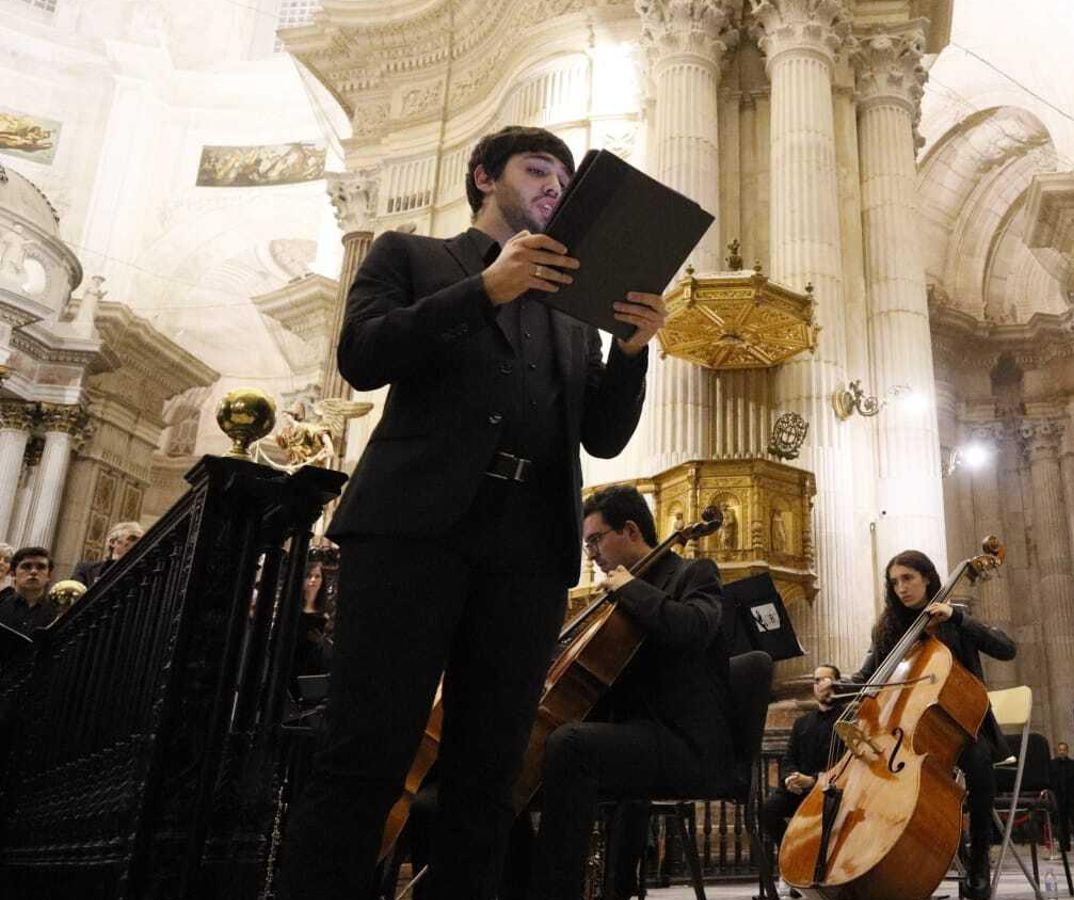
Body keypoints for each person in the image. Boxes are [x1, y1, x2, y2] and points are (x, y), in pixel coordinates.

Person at [278, 125, 663, 900]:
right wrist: (486, 290)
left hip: (526, 549)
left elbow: (605, 436)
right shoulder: (410, 256)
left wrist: (629, 350)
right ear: (485, 177)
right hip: (412, 534)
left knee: (489, 776)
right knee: (366, 753)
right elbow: (362, 355)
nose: (555, 186)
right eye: (539, 169)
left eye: (564, 177)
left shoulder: (570, 309)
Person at [526, 484, 733, 900]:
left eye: (596, 540)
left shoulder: (694, 574)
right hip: (636, 736)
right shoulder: (616, 598)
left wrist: (630, 588)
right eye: (587, 544)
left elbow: (693, 629)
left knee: (570, 746)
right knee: (513, 765)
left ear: (632, 531)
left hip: (685, 744)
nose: (591, 554)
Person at [845, 549, 1016, 900]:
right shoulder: (888, 627)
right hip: (908, 733)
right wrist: (838, 683)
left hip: (960, 727)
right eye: (894, 582)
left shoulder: (955, 619)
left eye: (908, 578)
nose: (901, 588)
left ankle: (979, 858)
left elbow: (1006, 649)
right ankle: (888, 859)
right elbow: (869, 675)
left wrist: (956, 616)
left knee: (980, 766)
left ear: (927, 578)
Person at [761, 664, 845, 897]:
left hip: (829, 791)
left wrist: (814, 780)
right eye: (817, 681)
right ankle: (790, 861)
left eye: (825, 680)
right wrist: (791, 778)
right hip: (799, 789)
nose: (820, 685)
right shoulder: (802, 722)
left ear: (837, 684)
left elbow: (846, 763)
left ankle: (808, 869)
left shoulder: (848, 719)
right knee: (768, 811)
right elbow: (789, 757)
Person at [0, 547, 61, 633]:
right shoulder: (2, 602)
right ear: (13, 573)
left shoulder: (57, 613)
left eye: (41, 567)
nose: (33, 572)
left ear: (49, 576)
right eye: (26, 566)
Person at [70, 521, 144, 588]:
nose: (133, 548)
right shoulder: (86, 570)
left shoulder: (141, 574)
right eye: (128, 543)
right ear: (112, 542)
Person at [1051, 741, 1074, 853]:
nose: (1062, 752)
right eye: (1060, 750)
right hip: (1059, 797)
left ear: (1067, 751)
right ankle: (1064, 845)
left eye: (1064, 750)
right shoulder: (1052, 764)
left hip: (1072, 797)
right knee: (1062, 823)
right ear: (1058, 751)